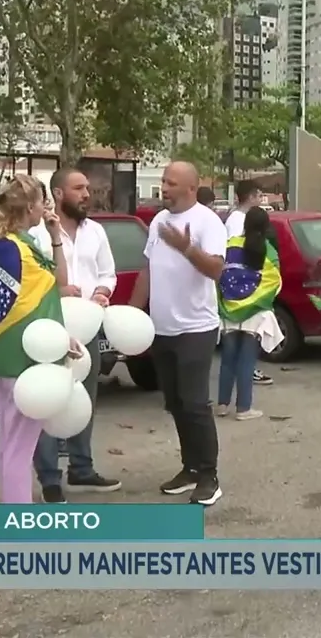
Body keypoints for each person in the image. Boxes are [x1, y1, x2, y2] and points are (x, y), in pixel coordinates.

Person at [0, 175, 79, 503]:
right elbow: (44, 297)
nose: (46, 207)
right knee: (20, 447)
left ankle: (11, 507)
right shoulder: (23, 253)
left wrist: (53, 235)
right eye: (43, 201)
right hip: (24, 358)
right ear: (30, 207)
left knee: (8, 439)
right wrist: (60, 339)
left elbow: (28, 300)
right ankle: (19, 519)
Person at [130, 161, 228, 506]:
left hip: (195, 328)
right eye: (163, 181)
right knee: (174, 402)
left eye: (171, 183)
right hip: (162, 328)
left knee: (195, 403)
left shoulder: (208, 222)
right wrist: (132, 312)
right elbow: (148, 270)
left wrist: (187, 248)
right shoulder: (159, 220)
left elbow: (216, 270)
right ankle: (190, 467)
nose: (164, 188)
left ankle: (209, 476)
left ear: (191, 188)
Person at [30, 168, 122, 503]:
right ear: (57, 193)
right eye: (79, 188)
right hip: (50, 327)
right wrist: (57, 292)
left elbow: (108, 273)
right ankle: (49, 478)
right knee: (49, 399)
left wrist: (102, 291)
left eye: (87, 188)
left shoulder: (95, 231)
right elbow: (30, 281)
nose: (86, 194)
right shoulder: (37, 234)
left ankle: (82, 468)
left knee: (85, 398)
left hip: (88, 327)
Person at [216, 206, 283, 420]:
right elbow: (275, 282)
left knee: (227, 361)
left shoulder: (230, 244)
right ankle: (244, 409)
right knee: (247, 361)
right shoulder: (268, 250)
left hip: (229, 309)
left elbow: (219, 274)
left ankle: (222, 405)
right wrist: (258, 301)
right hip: (256, 314)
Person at [224, 180, 275, 386]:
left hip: (242, 283)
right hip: (243, 284)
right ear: (251, 196)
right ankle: (246, 370)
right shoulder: (238, 220)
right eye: (259, 195)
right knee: (245, 331)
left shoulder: (237, 218)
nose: (261, 199)